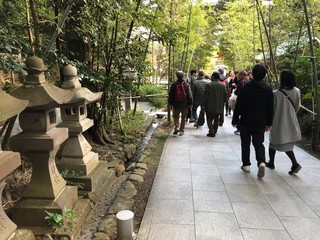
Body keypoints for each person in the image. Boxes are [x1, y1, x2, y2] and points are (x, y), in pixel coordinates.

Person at [232, 64, 273, 178]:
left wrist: (235, 120)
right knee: (258, 143)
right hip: (260, 121)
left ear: (252, 74)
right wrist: (269, 123)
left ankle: (246, 165)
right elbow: (270, 108)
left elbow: (239, 105)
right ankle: (261, 162)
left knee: (245, 143)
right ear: (264, 75)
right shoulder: (268, 89)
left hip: (246, 120)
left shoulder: (246, 88)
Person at [266, 69, 302, 175]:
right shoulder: (297, 91)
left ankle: (294, 163)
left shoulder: (276, 94)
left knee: (275, 141)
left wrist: (269, 121)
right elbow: (297, 106)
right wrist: (291, 113)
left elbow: (271, 109)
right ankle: (272, 162)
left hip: (279, 120)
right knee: (283, 143)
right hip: (291, 119)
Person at [202, 71, 227, 137]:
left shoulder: (209, 85)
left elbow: (205, 96)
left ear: (213, 77)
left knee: (209, 119)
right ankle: (214, 130)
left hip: (209, 105)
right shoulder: (222, 85)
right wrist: (223, 102)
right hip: (219, 105)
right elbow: (225, 95)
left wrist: (203, 104)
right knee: (216, 118)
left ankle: (211, 130)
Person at [168, 71, 193, 136]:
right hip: (185, 104)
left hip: (176, 104)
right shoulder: (186, 84)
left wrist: (170, 103)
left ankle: (176, 127)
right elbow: (189, 95)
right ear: (183, 76)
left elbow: (171, 95)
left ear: (177, 76)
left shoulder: (174, 85)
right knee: (183, 118)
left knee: (176, 116)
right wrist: (190, 103)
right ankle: (181, 130)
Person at [233, 70, 251, 135]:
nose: (238, 76)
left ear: (242, 75)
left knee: (240, 114)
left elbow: (238, 92)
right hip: (249, 102)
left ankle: (239, 128)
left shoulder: (242, 82)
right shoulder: (249, 81)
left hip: (242, 101)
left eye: (239, 74)